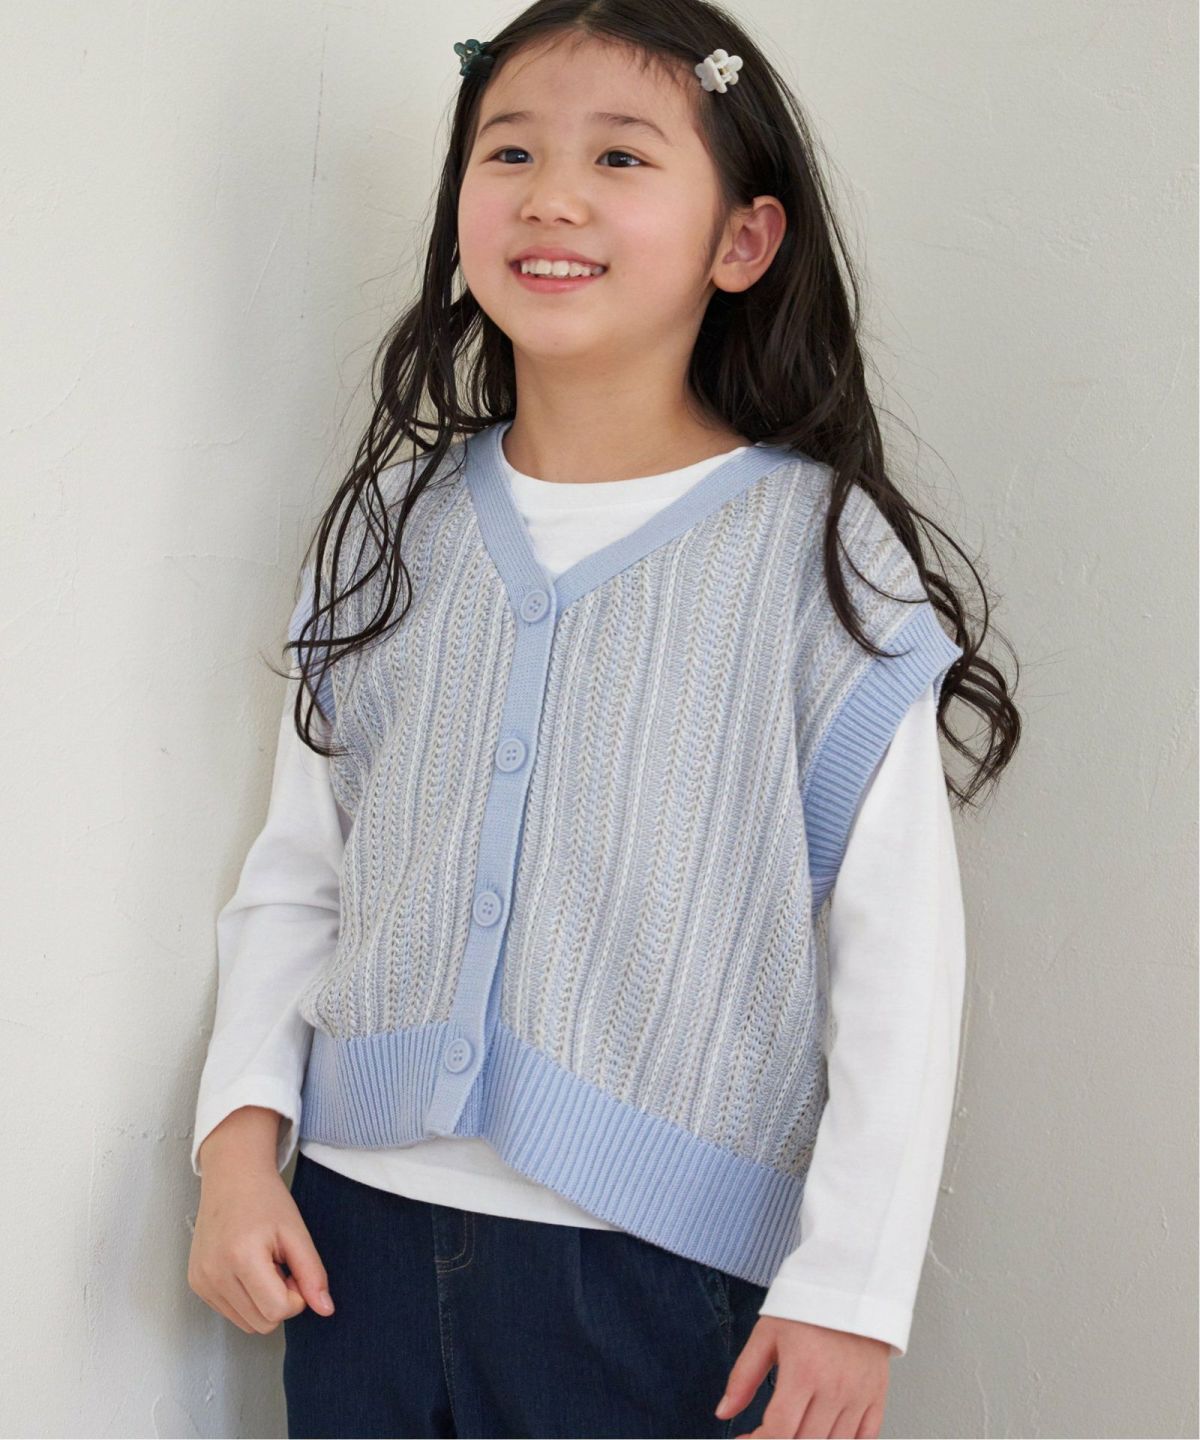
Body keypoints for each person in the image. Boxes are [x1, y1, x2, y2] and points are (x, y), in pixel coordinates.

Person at [187, 4, 1020, 1437]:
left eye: (621, 157)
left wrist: (850, 1288)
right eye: (510, 151)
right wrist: (236, 1150)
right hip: (350, 1242)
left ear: (742, 241)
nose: (552, 196)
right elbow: (304, 874)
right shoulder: (389, 530)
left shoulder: (821, 557)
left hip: (654, 1277)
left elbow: (895, 956)